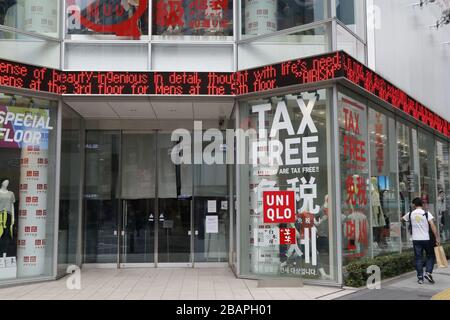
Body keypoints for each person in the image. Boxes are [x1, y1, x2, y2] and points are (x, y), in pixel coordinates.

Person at [402, 197, 440, 285]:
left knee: (418, 258)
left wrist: (411, 223)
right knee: (430, 255)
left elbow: (402, 219)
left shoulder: (410, 213)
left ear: (414, 205)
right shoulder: (426, 213)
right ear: (422, 205)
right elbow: (433, 226)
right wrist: (437, 237)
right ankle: (428, 272)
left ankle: (420, 278)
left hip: (416, 239)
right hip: (426, 239)